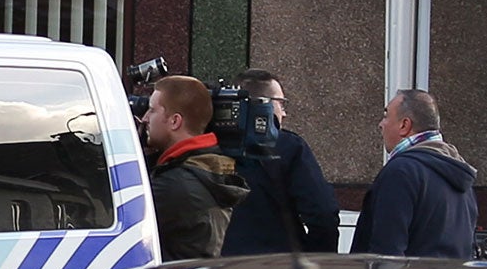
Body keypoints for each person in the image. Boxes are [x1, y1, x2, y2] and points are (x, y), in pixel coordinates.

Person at [218, 68, 342, 255]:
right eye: (281, 104)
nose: (284, 114)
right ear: (264, 104)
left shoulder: (207, 146)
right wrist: (317, 259)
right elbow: (323, 213)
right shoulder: (288, 147)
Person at [350, 88, 478, 259]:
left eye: (386, 116)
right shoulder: (459, 174)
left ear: (404, 125)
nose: (381, 124)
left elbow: (387, 255)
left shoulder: (401, 172)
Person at [141, 74, 250, 259]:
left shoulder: (174, 184)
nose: (144, 118)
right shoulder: (203, 167)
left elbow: (120, 219)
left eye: (152, 110)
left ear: (175, 121)